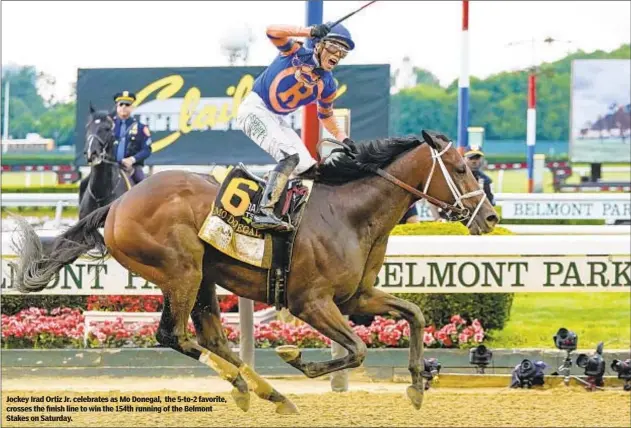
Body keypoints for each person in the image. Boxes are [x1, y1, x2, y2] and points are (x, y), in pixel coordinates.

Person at [235, 21, 357, 233]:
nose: (337, 56)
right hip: (254, 109)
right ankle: (263, 212)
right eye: (334, 48)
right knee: (290, 157)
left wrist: (343, 137)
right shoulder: (295, 53)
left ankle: (289, 212)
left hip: (276, 118)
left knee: (309, 169)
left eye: (343, 53)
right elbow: (271, 31)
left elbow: (326, 115)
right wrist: (309, 31)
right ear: (319, 45)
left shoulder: (328, 85)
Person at [112, 91, 152, 184]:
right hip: (110, 166)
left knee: (144, 188)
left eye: (127, 104)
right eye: (121, 104)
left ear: (132, 107)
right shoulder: (109, 126)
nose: (124, 107)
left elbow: (147, 150)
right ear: (117, 107)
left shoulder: (141, 128)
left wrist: (132, 159)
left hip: (132, 167)